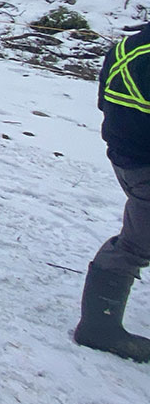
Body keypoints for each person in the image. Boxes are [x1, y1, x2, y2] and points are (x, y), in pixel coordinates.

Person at [75, 22, 150, 363]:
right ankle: (98, 327)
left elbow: (103, 100)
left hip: (125, 155)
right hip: (142, 161)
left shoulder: (126, 46)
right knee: (137, 244)